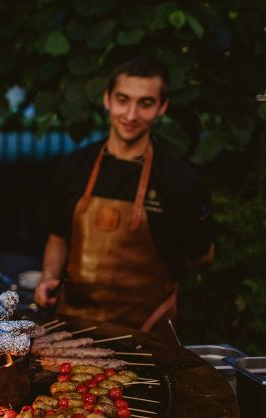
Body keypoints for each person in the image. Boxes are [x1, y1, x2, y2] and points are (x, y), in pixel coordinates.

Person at [34, 55, 214, 342]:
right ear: (107, 99)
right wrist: (47, 277)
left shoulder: (179, 180)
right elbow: (58, 235)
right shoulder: (74, 166)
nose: (131, 115)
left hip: (147, 332)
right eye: (122, 99)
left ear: (161, 107)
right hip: (72, 330)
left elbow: (203, 253)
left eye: (145, 103)